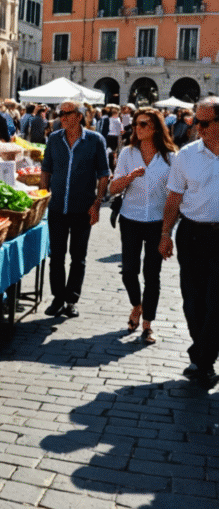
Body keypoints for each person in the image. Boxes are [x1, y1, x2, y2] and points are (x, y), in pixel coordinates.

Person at [159, 96, 219, 388]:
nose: (198, 127)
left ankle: (203, 359)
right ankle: (204, 353)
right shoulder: (187, 155)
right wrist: (165, 233)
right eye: (197, 121)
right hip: (193, 234)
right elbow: (174, 197)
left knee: (216, 301)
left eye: (205, 122)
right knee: (193, 300)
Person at [110, 108, 177, 344]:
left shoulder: (171, 157)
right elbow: (112, 189)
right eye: (136, 124)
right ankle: (136, 306)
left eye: (144, 124)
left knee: (153, 274)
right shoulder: (128, 153)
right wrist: (129, 178)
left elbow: (175, 196)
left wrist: (167, 232)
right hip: (130, 219)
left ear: (156, 127)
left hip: (157, 222)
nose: (137, 128)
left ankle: (148, 324)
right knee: (129, 270)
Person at [40, 99, 111, 319]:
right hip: (58, 206)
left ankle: (71, 300)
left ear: (79, 116)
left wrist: (97, 204)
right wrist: (43, 197)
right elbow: (46, 171)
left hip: (83, 207)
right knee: (57, 256)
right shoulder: (53, 139)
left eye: (67, 113)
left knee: (78, 256)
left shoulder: (94, 140)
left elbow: (103, 175)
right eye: (60, 113)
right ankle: (58, 298)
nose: (62, 117)